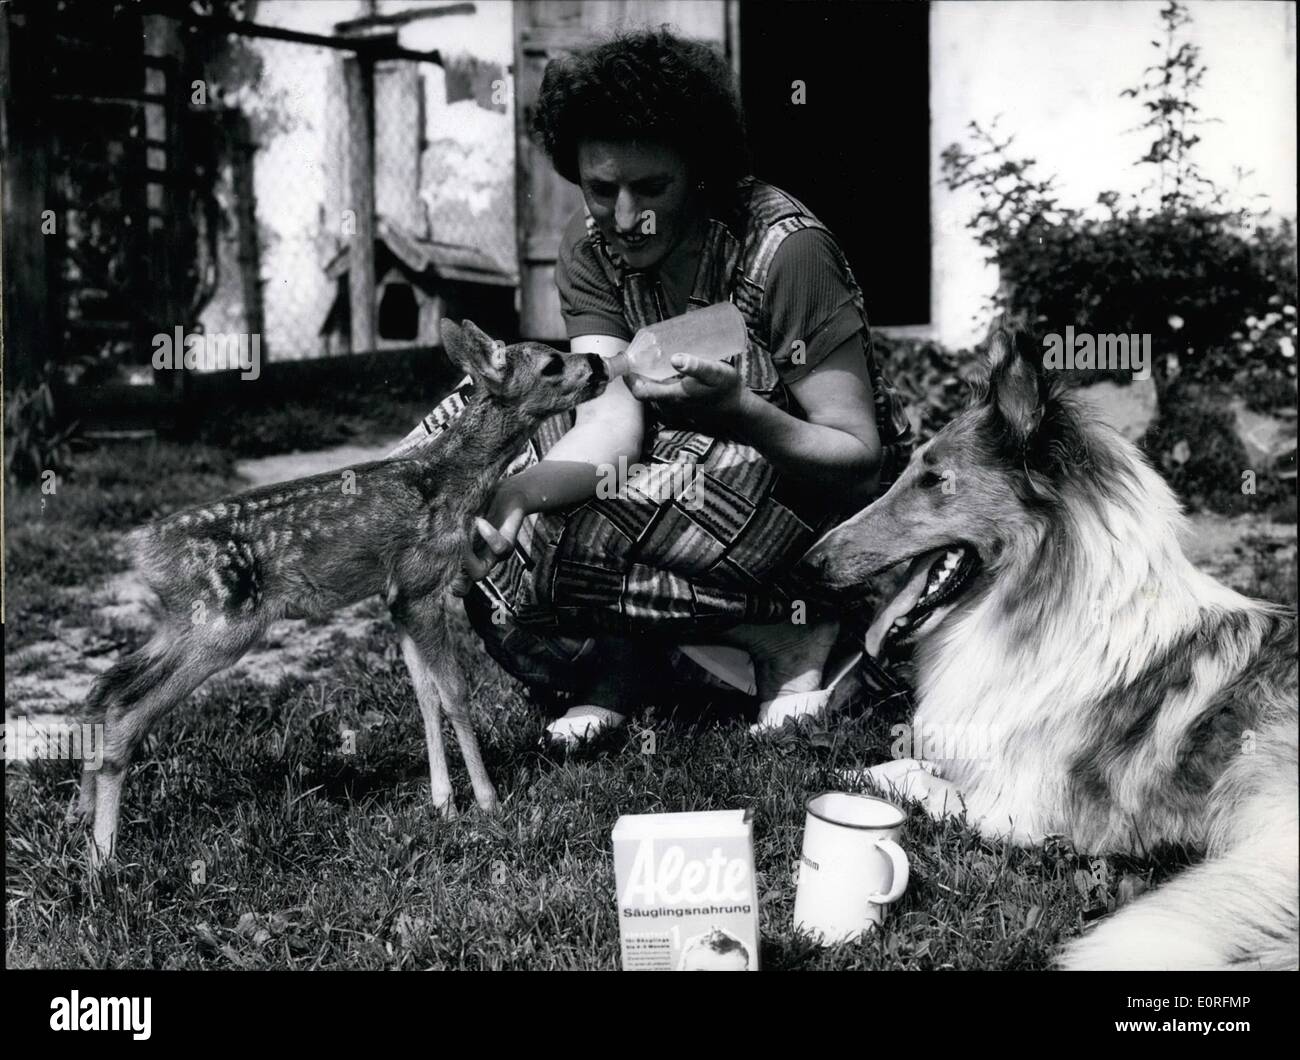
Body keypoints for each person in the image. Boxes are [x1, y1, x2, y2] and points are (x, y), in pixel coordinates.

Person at [410, 29, 912, 745]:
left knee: (603, 513)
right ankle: (630, 657)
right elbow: (609, 421)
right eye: (600, 188)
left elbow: (859, 458)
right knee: (459, 462)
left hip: (799, 490)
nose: (623, 218)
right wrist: (515, 497)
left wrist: (742, 414)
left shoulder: (786, 251)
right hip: (678, 465)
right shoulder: (591, 254)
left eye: (652, 188)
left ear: (701, 169)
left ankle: (788, 629)